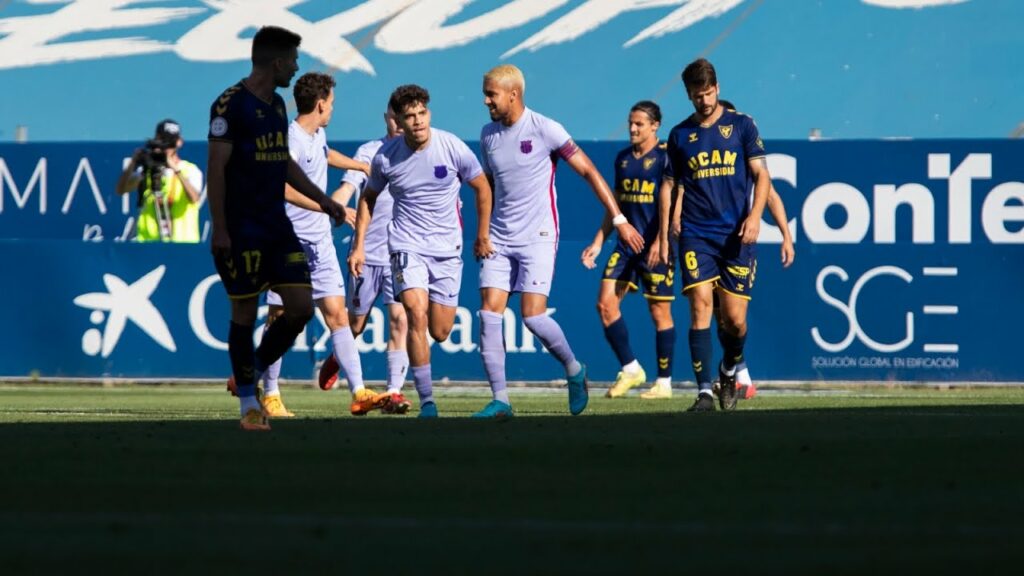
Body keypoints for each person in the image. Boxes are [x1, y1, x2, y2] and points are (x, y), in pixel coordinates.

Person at [472, 64, 644, 419]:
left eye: (492, 94)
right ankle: (501, 400)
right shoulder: (488, 135)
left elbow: (589, 172)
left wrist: (620, 220)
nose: (486, 100)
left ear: (513, 94)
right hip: (500, 238)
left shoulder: (545, 129)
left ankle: (573, 369)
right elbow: (487, 187)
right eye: (486, 94)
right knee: (489, 313)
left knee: (532, 317)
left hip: (538, 235)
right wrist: (483, 232)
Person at [208, 26, 347, 431]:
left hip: (277, 225)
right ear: (277, 62)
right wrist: (220, 227)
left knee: (301, 307)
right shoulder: (229, 105)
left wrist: (323, 200)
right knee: (246, 311)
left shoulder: (278, 107)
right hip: (242, 226)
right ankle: (250, 405)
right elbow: (216, 166)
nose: (297, 67)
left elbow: (283, 162)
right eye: (294, 60)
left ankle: (249, 368)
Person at [234, 71, 391, 418]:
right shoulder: (287, 139)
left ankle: (358, 391)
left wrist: (358, 165)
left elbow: (324, 154)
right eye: (332, 103)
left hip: (318, 240)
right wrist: (328, 205)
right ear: (320, 104)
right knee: (279, 317)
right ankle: (270, 392)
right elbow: (281, 188)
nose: (333, 108)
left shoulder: (316, 132)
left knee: (337, 314)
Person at [348, 84, 493, 419]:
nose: (417, 121)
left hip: (446, 248)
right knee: (413, 312)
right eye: (409, 116)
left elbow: (482, 186)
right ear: (397, 120)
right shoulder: (386, 157)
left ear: (429, 113)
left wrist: (482, 235)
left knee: (440, 331)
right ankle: (427, 402)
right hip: (406, 245)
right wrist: (359, 245)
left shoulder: (451, 146)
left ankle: (419, 387)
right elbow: (368, 197)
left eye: (421, 113)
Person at [658, 58, 772, 412]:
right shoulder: (679, 136)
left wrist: (755, 217)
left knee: (735, 321)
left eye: (708, 94)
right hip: (695, 233)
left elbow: (762, 176)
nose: (704, 102)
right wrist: (664, 236)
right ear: (688, 95)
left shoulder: (742, 126)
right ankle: (704, 392)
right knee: (701, 306)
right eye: (696, 96)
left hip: (736, 235)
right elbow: (669, 185)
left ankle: (728, 368)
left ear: (717, 88)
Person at [319, 104, 412, 415]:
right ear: (386, 118)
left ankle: (394, 393)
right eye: (394, 117)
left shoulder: (421, 152)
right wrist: (333, 207)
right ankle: (336, 357)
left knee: (401, 320)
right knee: (355, 324)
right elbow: (348, 187)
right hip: (367, 254)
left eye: (407, 117)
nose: (400, 123)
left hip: (401, 254)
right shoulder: (370, 150)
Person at [581, 101, 676, 400]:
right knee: (605, 305)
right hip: (626, 247)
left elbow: (671, 204)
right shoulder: (623, 159)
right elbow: (615, 208)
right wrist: (598, 242)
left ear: (655, 126)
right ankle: (631, 368)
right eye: (630, 123)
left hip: (655, 247)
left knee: (659, 312)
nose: (633, 129)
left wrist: (662, 241)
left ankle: (664, 383)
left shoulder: (665, 159)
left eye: (639, 124)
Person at [116, 119, 203, 243]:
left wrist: (175, 169)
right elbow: (121, 189)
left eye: (169, 143)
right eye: (162, 142)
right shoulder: (148, 169)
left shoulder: (190, 170)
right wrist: (133, 163)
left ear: (179, 143)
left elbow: (195, 198)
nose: (165, 148)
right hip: (148, 245)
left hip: (183, 246)